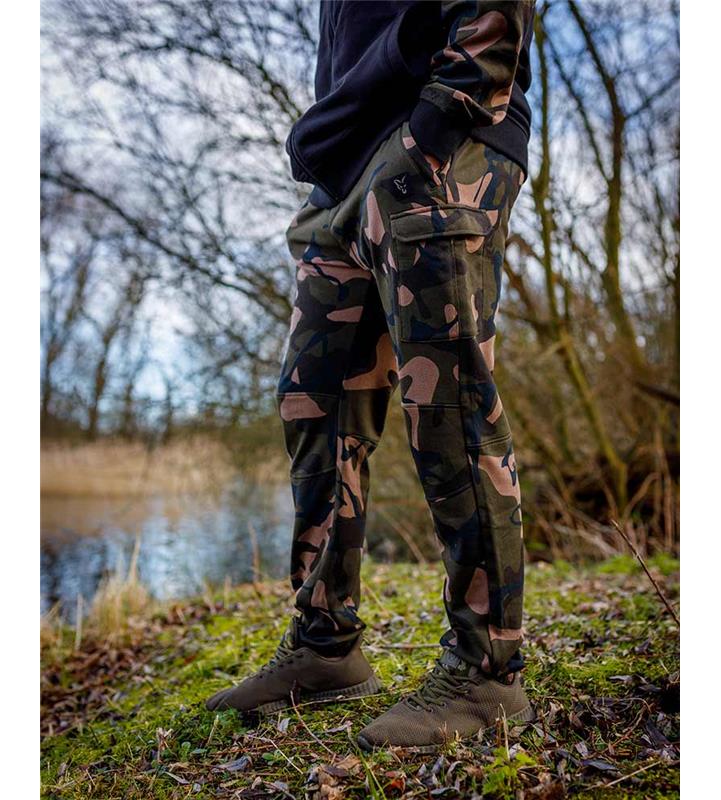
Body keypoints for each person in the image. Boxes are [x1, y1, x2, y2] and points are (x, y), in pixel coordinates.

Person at [207, 0, 536, 750]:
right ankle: (325, 644)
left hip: (436, 137)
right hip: (340, 176)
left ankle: (486, 670)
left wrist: (444, 116)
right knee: (314, 408)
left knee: (446, 403)